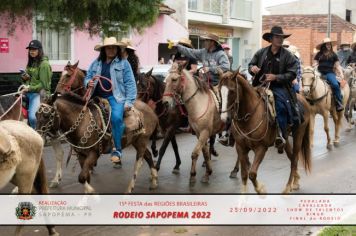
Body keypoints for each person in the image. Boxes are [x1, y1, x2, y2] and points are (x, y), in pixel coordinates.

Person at [172, 33, 230, 156]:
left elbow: (226, 66)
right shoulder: (203, 52)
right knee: (189, 97)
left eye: (206, 41)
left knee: (224, 100)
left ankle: (227, 129)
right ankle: (191, 124)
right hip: (203, 83)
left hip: (217, 83)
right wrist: (177, 46)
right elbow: (190, 52)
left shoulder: (220, 54)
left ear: (212, 43)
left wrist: (211, 69)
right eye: (204, 41)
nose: (204, 43)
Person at [85, 37, 137, 168]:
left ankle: (117, 150)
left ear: (118, 49)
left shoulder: (124, 63)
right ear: (104, 50)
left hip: (115, 97)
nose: (111, 50)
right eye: (108, 47)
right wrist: (88, 82)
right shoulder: (96, 63)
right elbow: (88, 76)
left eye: (114, 47)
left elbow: (130, 83)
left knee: (116, 118)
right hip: (95, 96)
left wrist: (129, 102)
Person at [248, 26, 300, 153]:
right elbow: (251, 64)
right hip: (260, 85)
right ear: (271, 39)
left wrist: (276, 77)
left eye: (281, 37)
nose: (280, 39)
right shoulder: (261, 52)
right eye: (277, 37)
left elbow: (292, 73)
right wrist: (252, 68)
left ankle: (281, 135)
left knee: (281, 107)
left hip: (279, 87)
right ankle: (230, 134)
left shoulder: (288, 56)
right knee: (240, 99)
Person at [21, 39, 52, 129]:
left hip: (39, 93)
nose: (31, 51)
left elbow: (44, 85)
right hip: (29, 92)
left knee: (33, 118)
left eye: (34, 49)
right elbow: (28, 80)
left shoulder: (44, 64)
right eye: (30, 49)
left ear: (39, 50)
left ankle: (37, 135)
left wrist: (29, 88)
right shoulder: (31, 62)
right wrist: (24, 80)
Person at [313, 38, 344, 112]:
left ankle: (339, 102)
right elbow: (315, 63)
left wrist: (341, 73)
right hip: (319, 73)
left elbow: (337, 65)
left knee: (335, 85)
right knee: (311, 83)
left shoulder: (334, 54)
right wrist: (314, 66)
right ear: (324, 45)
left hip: (329, 73)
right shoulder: (319, 54)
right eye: (327, 44)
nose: (329, 45)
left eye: (329, 44)